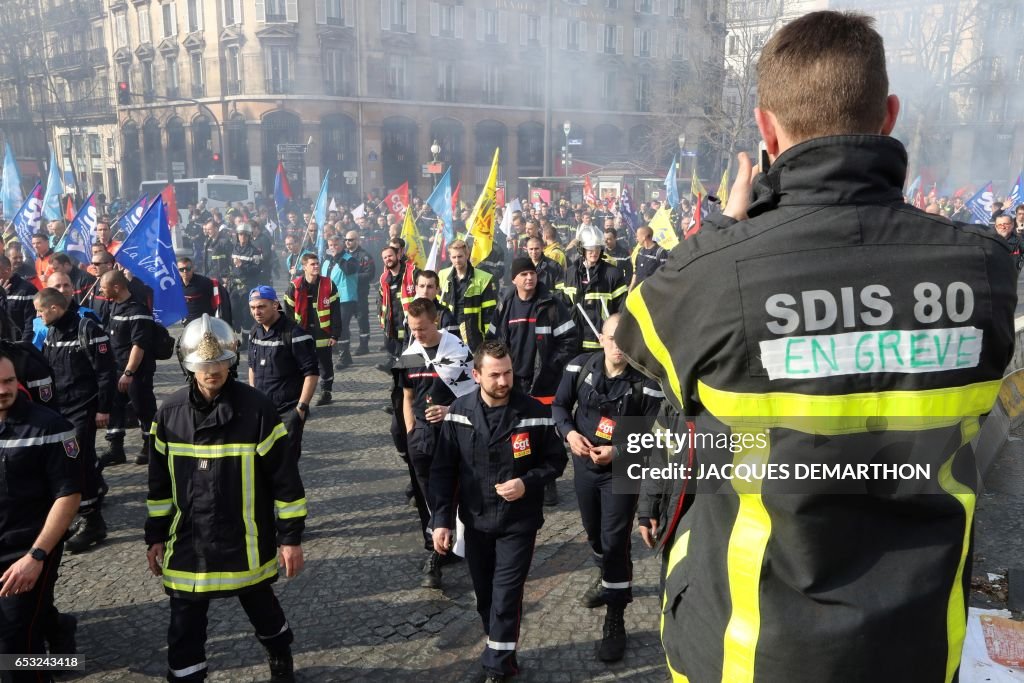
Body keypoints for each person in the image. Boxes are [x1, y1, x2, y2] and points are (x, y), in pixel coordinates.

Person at [615, 11, 1018, 681]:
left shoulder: (712, 277)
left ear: (766, 128)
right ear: (889, 115)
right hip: (916, 647)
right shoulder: (988, 270)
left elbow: (627, 343)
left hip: (752, 653)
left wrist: (723, 230)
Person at [146, 314, 306, 683]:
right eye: (203, 364)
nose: (211, 370)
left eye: (218, 362)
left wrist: (291, 538)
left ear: (231, 360)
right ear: (189, 366)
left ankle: (280, 657)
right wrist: (154, 535)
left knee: (263, 610)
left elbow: (285, 481)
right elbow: (158, 487)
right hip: (187, 541)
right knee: (184, 629)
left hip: (245, 538)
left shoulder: (258, 409)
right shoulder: (168, 415)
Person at [430, 341, 567, 683]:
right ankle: (501, 647)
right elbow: (444, 471)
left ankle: (497, 667)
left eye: (508, 373)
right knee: (486, 596)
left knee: (506, 595)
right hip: (475, 521)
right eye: (495, 375)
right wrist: (441, 522)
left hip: (518, 522)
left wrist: (527, 482)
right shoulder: (458, 413)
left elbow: (556, 461)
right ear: (476, 375)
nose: (504, 381)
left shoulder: (534, 411)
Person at [551, 314, 663, 662]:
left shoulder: (646, 383)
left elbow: (654, 438)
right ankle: (607, 577)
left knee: (615, 541)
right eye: (613, 338)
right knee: (594, 536)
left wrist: (617, 450)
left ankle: (615, 617)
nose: (619, 347)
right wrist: (569, 435)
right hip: (585, 467)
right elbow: (558, 407)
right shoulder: (579, 369)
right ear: (601, 338)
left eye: (626, 340)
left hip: (622, 470)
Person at [0, 349, 81, 674]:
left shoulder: (50, 427)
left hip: (29, 548)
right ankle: (61, 634)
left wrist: (35, 556)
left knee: (13, 645)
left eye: (7, 381)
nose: (2, 390)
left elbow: (69, 495)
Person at [487, 257, 578, 507]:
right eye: (524, 274)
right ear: (514, 279)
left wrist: (552, 366)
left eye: (532, 273)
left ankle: (547, 483)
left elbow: (570, 340)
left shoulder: (551, 304)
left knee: (545, 433)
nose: (529, 278)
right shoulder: (505, 305)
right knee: (515, 432)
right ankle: (517, 477)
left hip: (545, 383)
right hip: (512, 383)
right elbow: (492, 340)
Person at [398, 297, 474, 590]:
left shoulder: (458, 351)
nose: (417, 335)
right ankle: (435, 548)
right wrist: (410, 432)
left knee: (453, 490)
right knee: (427, 495)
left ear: (436, 322)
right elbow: (406, 397)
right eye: (413, 329)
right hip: (421, 438)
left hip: (453, 435)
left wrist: (449, 411)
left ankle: (452, 544)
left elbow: (474, 395)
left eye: (422, 329)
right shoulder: (410, 355)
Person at [36, 287, 115, 553]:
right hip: (61, 410)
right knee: (64, 464)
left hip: (84, 409)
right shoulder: (51, 333)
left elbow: (105, 372)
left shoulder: (88, 330)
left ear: (55, 309)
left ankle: (93, 521)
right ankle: (75, 514)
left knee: (78, 461)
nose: (38, 316)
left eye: (40, 311)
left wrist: (104, 408)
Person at [248, 286, 319, 464]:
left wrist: (300, 409)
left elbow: (311, 374)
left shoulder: (295, 334)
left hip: (288, 410)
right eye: (253, 307)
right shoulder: (254, 332)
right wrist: (252, 398)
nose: (257, 312)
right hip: (262, 410)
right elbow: (252, 368)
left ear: (275, 305)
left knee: (286, 464)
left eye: (262, 306)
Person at [98, 270, 157, 467]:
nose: (100, 289)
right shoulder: (113, 305)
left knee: (143, 408)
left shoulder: (138, 311)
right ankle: (116, 450)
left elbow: (138, 346)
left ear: (116, 287)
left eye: (103, 287)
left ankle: (151, 446)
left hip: (136, 372)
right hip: (116, 369)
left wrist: (129, 373)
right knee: (114, 407)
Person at [557, 225, 628, 353]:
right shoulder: (571, 273)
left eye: (597, 248)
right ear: (581, 249)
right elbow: (564, 306)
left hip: (601, 345)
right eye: (589, 248)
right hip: (575, 343)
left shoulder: (612, 274)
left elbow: (621, 310)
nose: (594, 252)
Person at [284, 253, 341, 406]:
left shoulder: (328, 284)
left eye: (317, 263)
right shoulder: (294, 287)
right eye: (312, 264)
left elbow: (336, 311)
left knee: (325, 364)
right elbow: (288, 314)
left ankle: (326, 392)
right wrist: (289, 335)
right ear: (304, 267)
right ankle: (302, 397)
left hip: (323, 332)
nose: (316, 266)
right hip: (301, 333)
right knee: (302, 365)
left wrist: (335, 334)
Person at [438, 239, 498, 351]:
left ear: (467, 254)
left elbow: (489, 313)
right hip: (447, 332)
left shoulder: (483, 278)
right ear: (450, 257)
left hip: (473, 335)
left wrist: (489, 340)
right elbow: (437, 306)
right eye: (453, 257)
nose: (457, 260)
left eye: (460, 256)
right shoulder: (443, 275)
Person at [321, 235, 360, 370]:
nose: (333, 248)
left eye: (336, 245)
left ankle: (344, 357)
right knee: (334, 327)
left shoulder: (350, 260)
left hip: (346, 298)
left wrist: (338, 257)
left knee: (342, 326)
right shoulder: (326, 261)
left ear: (342, 245)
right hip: (330, 298)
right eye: (331, 245)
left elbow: (349, 270)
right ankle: (345, 354)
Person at [178, 256, 233, 326]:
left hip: (205, 322)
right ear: (178, 271)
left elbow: (218, 290)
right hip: (187, 323)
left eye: (187, 268)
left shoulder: (203, 282)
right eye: (181, 269)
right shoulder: (176, 284)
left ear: (193, 268)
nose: (185, 271)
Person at [346, 231, 376, 356]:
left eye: (351, 240)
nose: (348, 242)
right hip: (346, 294)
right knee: (344, 321)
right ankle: (344, 347)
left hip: (360, 293)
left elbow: (370, 274)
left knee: (362, 319)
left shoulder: (365, 256)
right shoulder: (344, 255)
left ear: (357, 240)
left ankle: (364, 345)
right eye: (346, 239)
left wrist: (353, 277)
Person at [0, 254, 39, 343]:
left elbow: (31, 324)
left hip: (18, 349)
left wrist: (22, 348)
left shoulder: (27, 290)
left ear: (7, 270)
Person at [629, 225, 669, 289]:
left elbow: (665, 274)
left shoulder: (661, 253)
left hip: (652, 291)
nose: (636, 238)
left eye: (637, 236)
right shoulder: (640, 251)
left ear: (644, 237)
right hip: (638, 290)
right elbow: (636, 271)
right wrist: (631, 287)